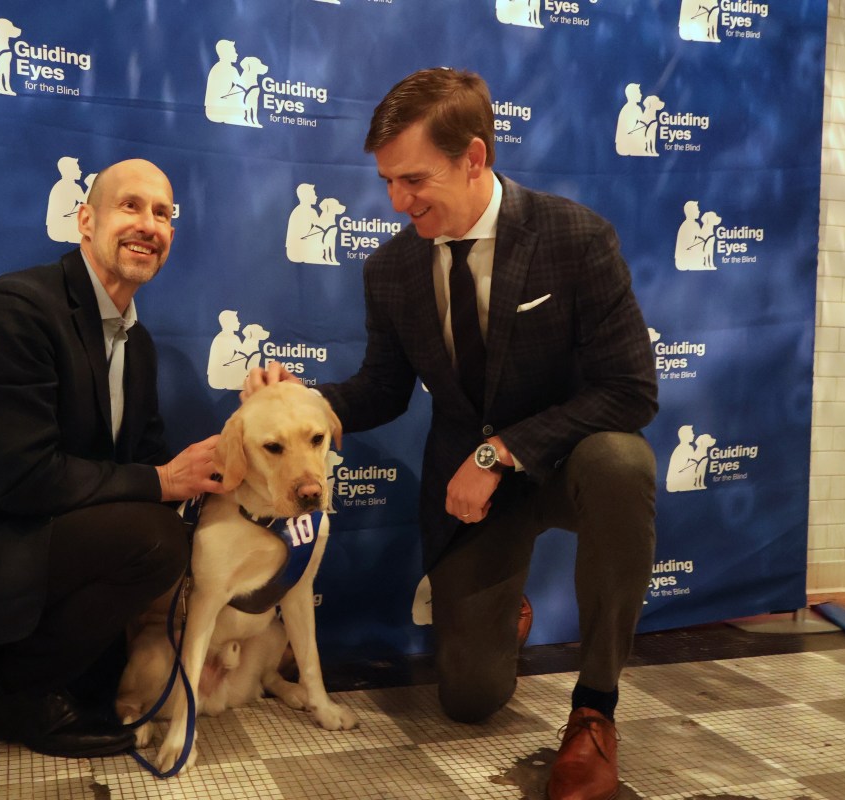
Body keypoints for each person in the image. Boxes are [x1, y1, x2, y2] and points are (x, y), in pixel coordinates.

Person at [246, 68, 657, 800]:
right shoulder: (393, 268)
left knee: (622, 462)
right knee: (468, 699)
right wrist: (301, 402)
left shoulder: (576, 237)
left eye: (413, 180)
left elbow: (630, 391)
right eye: (386, 182)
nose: (397, 202)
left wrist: (500, 453)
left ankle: (596, 709)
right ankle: (505, 614)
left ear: (474, 157)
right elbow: (381, 389)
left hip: (566, 465)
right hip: (471, 499)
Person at [0, 159, 225, 759]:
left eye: (163, 213)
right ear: (86, 221)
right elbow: (26, 479)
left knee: (111, 661)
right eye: (130, 206)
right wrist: (163, 481)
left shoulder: (138, 345)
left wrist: (235, 447)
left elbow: (148, 462)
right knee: (155, 539)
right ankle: (9, 694)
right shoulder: (19, 309)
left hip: (44, 536)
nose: (149, 225)